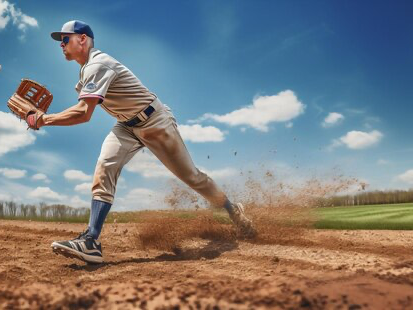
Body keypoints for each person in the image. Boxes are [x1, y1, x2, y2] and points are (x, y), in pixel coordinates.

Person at [33, 20, 256, 264]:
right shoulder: (86, 70)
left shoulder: (98, 64)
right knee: (105, 166)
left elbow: (84, 113)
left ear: (82, 39)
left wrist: (44, 119)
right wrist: (43, 119)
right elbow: (82, 106)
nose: (61, 45)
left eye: (65, 39)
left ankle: (233, 211)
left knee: (193, 177)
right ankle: (91, 241)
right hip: (126, 126)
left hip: (154, 121)